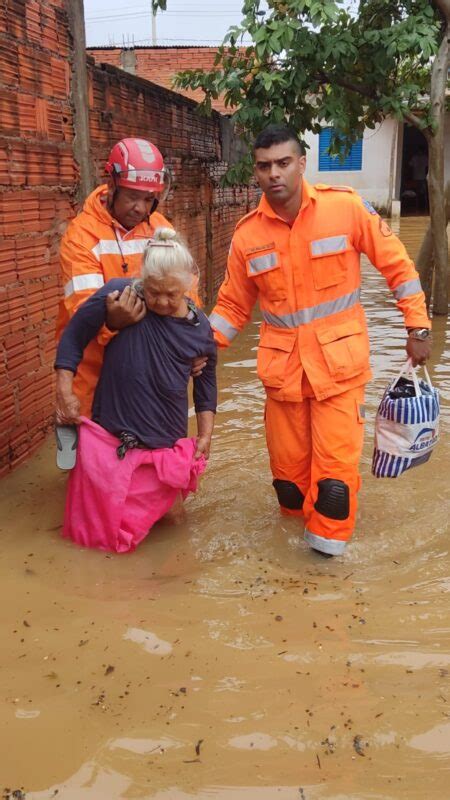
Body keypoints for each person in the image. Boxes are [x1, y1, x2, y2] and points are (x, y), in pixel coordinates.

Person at [209, 124, 432, 557]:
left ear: (301, 164)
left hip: (339, 373)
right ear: (255, 172)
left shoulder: (345, 209)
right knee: (289, 485)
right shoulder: (247, 236)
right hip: (283, 379)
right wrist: (194, 350)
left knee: (333, 484)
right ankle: (292, 562)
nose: (274, 173)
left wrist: (417, 327)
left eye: (283, 163)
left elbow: (398, 268)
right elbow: (232, 308)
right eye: (264, 166)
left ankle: (327, 572)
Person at [55, 228, 217, 554]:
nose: (160, 301)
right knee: (100, 529)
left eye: (172, 294)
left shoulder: (199, 328)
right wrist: (64, 390)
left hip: (163, 443)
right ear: (142, 277)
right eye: (153, 291)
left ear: (190, 282)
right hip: (111, 439)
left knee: (172, 523)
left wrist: (205, 432)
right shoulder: (121, 296)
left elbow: (207, 381)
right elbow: (73, 336)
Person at [57, 136, 202, 418]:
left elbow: (187, 293)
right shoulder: (81, 237)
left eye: (149, 199)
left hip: (149, 381)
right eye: (132, 196)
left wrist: (193, 342)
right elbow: (84, 313)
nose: (141, 208)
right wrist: (111, 322)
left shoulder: (160, 228)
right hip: (93, 380)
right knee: (93, 457)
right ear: (112, 185)